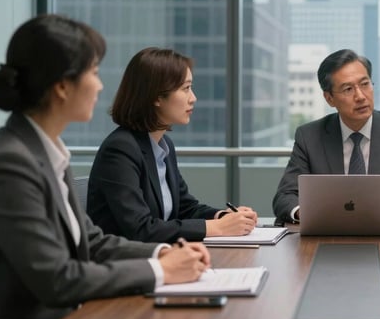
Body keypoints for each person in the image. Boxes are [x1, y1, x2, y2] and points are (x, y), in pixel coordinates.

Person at [0, 15, 209, 319]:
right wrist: (159, 270)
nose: (100, 85)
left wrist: (165, 251)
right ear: (61, 86)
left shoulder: (45, 152)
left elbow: (92, 242)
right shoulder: (10, 164)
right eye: (94, 73)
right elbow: (58, 280)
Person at [88, 47, 257, 243]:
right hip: (125, 265)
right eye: (185, 88)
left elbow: (185, 208)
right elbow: (141, 229)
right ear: (156, 97)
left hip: (160, 258)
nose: (193, 98)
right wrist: (216, 228)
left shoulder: (162, 145)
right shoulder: (120, 149)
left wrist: (223, 217)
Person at [273, 49, 380, 223]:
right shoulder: (309, 136)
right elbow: (285, 196)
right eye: (348, 89)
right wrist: (304, 213)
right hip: (327, 235)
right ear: (329, 98)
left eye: (365, 84)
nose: (360, 96)